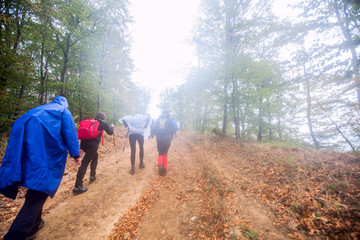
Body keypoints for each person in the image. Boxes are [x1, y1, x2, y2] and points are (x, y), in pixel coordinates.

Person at [0, 96, 81, 240]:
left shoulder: (37, 110)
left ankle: (35, 224)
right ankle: (15, 235)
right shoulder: (63, 111)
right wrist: (75, 154)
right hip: (47, 154)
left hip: (27, 152)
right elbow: (70, 133)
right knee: (41, 190)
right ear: (65, 104)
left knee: (36, 187)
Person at [73, 112, 114, 195]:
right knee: (84, 164)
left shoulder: (90, 122)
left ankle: (92, 176)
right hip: (93, 146)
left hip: (84, 143)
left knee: (95, 157)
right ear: (103, 117)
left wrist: (81, 148)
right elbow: (110, 133)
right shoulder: (103, 123)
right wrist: (112, 127)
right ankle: (77, 187)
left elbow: (84, 134)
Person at [152, 110, 176, 176]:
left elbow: (153, 129)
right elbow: (173, 130)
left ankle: (160, 165)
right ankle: (165, 169)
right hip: (167, 139)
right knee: (165, 152)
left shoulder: (157, 120)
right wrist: (170, 136)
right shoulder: (170, 121)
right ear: (167, 114)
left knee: (160, 152)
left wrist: (157, 133)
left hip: (159, 138)